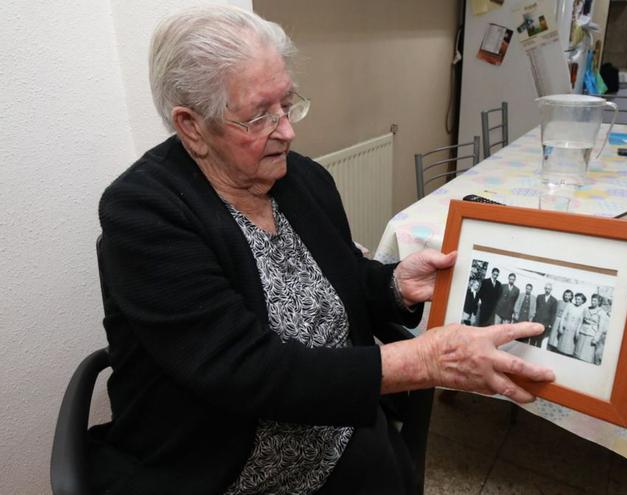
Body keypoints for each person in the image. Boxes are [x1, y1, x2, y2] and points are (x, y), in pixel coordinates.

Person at [87, 7, 553, 495]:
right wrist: (425, 360)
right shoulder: (143, 214)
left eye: (286, 104)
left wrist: (393, 284)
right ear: (192, 127)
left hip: (334, 420)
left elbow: (341, 276)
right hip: (221, 461)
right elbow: (247, 371)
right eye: (260, 115)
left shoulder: (301, 178)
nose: (286, 130)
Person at [575, 294, 603, 363]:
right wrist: (577, 332)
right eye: (592, 300)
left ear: (599, 302)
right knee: (577, 354)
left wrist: (595, 339)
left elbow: (600, 328)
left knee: (586, 356)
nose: (592, 302)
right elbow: (580, 321)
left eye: (595, 301)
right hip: (582, 332)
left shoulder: (601, 312)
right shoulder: (586, 309)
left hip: (591, 335)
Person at [530, 283, 558, 347]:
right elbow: (536, 308)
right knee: (532, 338)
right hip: (537, 320)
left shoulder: (554, 300)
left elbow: (553, 313)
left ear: (551, 290)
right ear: (544, 289)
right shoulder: (539, 297)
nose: (547, 290)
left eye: (549, 289)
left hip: (545, 323)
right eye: (546, 288)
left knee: (539, 340)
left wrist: (550, 324)